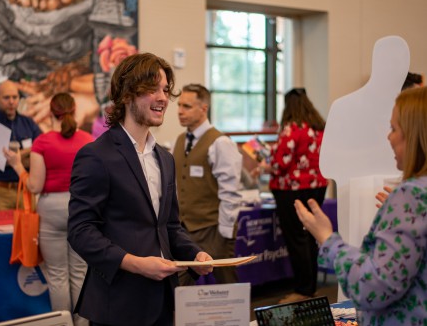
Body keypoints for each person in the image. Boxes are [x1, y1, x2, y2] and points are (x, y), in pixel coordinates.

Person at [67, 53, 213, 326]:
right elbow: (80, 232)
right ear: (126, 95)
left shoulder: (165, 158)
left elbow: (169, 227)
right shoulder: (96, 156)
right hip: (118, 302)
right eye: (151, 89)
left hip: (162, 301)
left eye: (165, 90)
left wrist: (194, 254)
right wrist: (135, 263)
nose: (162, 98)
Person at [295, 86, 427, 325]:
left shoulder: (411, 196)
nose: (389, 137)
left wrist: (328, 239)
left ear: (415, 135)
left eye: (394, 128)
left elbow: (373, 287)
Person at [4, 92, 93, 326]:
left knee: (57, 276)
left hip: (51, 210)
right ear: (74, 111)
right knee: (80, 273)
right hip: (81, 209)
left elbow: (34, 185)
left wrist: (16, 166)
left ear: (51, 113)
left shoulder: (42, 142)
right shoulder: (88, 140)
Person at [257, 88, 328, 303]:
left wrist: (264, 166)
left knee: (296, 238)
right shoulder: (319, 128)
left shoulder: (291, 129)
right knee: (310, 236)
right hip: (317, 186)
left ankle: (303, 290)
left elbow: (280, 164)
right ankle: (311, 286)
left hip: (291, 190)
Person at [172, 83, 243, 285]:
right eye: (179, 105)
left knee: (226, 284)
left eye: (187, 106)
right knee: (179, 284)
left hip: (213, 228)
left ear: (203, 108)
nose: (179, 111)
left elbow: (230, 192)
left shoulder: (220, 143)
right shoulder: (179, 140)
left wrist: (225, 233)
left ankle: (236, 318)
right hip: (185, 228)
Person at [0, 80, 42, 214]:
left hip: (24, 191)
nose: (11, 101)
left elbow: (41, 153)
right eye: (6, 97)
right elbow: (3, 159)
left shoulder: (29, 123)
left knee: (28, 235)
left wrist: (17, 155)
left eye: (15, 97)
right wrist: (28, 154)